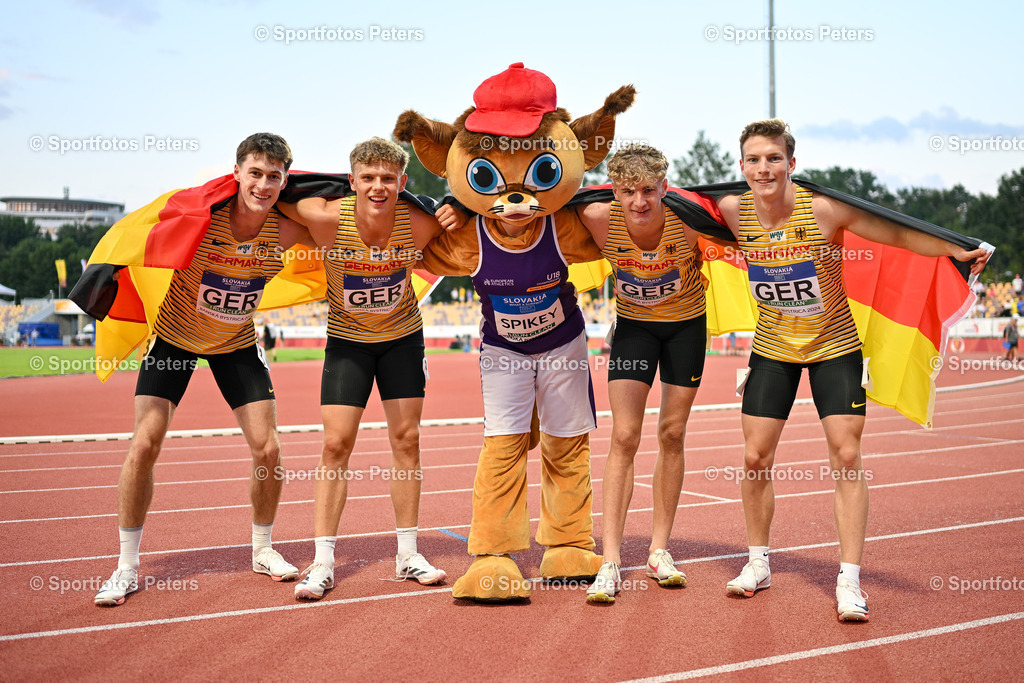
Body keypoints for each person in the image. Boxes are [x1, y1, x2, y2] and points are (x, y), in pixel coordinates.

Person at [713, 119, 989, 622]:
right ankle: (758, 563)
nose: (763, 168)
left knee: (846, 455)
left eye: (773, 158)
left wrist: (954, 249)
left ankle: (849, 579)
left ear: (791, 164)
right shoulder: (732, 210)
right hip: (774, 346)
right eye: (753, 159)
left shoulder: (823, 209)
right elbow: (675, 213)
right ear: (741, 167)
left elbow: (900, 233)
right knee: (754, 457)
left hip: (834, 345)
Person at [94, 133, 311, 606]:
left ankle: (262, 548)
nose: (264, 183)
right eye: (255, 173)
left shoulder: (288, 229)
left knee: (269, 449)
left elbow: (351, 223)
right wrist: (103, 269)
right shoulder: (202, 219)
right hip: (174, 339)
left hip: (234, 342)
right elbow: (139, 233)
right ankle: (126, 566)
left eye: (274, 176)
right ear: (236, 173)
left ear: (284, 180)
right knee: (145, 443)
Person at [278, 138, 450, 600]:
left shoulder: (420, 222)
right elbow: (272, 199)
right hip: (347, 344)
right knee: (335, 444)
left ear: (403, 183)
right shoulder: (326, 218)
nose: (378, 186)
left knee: (407, 440)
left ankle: (408, 554)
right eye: (368, 178)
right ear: (351, 182)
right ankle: (324, 561)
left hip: (402, 340)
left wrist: (453, 210)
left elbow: (469, 224)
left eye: (388, 179)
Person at [571, 145, 706, 603]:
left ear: (665, 187)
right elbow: (543, 212)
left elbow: (750, 231)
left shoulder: (688, 223)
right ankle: (609, 561)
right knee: (624, 436)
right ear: (615, 192)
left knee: (671, 433)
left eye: (649, 190)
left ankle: (659, 550)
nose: (640, 202)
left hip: (686, 329)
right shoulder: (597, 218)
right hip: (634, 331)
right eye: (628, 191)